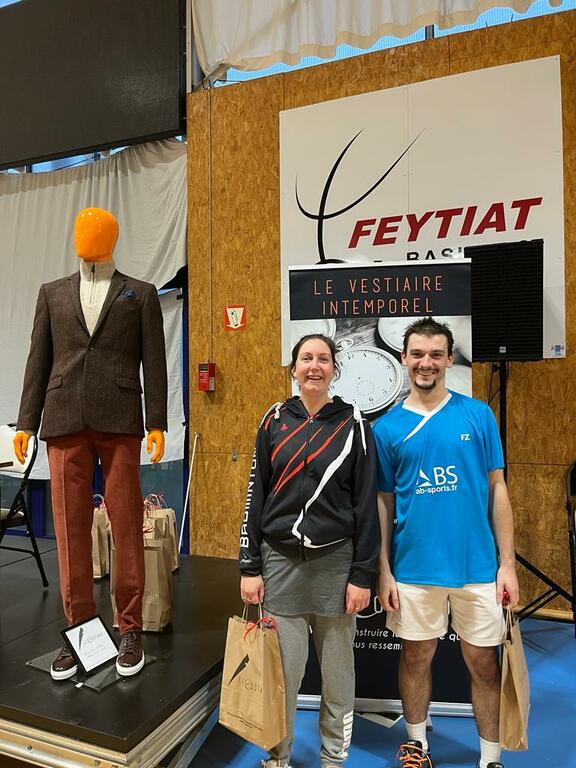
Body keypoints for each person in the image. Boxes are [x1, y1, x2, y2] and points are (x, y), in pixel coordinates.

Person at [14, 207, 167, 679]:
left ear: (113, 237)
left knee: (127, 524)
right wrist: (26, 422)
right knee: (70, 529)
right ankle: (80, 628)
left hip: (120, 419)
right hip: (63, 419)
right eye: (80, 228)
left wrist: (157, 422)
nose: (86, 235)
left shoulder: (139, 293)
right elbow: (38, 359)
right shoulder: (52, 293)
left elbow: (154, 361)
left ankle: (129, 627)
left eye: (96, 229)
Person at [372, 317, 519, 768]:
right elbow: (383, 502)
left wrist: (508, 564)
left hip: (477, 566)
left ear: (449, 359)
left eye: (436, 354)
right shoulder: (387, 428)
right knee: (415, 658)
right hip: (414, 567)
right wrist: (383, 569)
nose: (426, 362)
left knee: (484, 663)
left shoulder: (477, 415)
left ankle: (489, 757)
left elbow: (497, 488)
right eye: (417, 354)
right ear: (404, 358)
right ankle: (417, 744)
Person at [239, 334, 380, 768]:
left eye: (323, 359)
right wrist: (249, 565)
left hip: (336, 566)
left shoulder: (354, 424)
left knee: (337, 677)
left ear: (334, 369)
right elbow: (255, 496)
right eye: (306, 358)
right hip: (280, 566)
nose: (314, 366)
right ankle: (277, 756)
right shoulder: (274, 420)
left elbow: (366, 505)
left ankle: (333, 757)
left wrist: (362, 575)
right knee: (283, 675)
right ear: (294, 368)